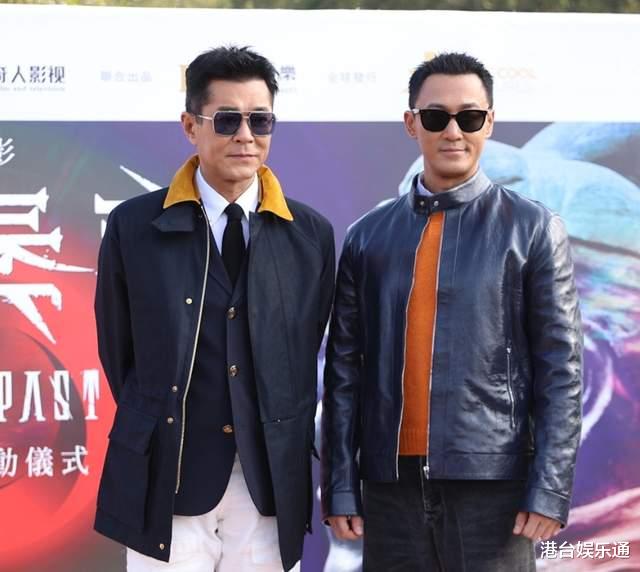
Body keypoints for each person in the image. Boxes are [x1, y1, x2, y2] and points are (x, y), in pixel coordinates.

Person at [321, 52, 583, 571]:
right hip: (390, 489)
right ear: (411, 123)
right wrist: (341, 483)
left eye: (470, 116)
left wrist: (550, 487)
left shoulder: (532, 229)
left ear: (490, 122)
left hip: (494, 487)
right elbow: (344, 373)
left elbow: (562, 369)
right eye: (437, 116)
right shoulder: (368, 236)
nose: (453, 131)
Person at [94, 45, 335, 572]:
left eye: (260, 120)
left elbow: (306, 349)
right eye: (227, 120)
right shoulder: (134, 227)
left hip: (268, 484)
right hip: (168, 481)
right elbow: (119, 352)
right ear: (190, 126)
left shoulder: (310, 235)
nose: (245, 136)